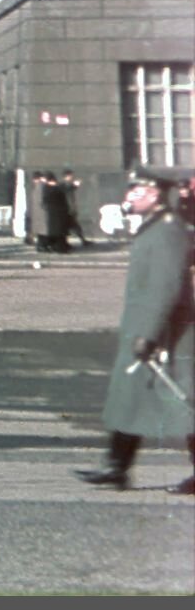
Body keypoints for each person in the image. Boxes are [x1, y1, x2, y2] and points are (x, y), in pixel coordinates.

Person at [75, 173, 194, 494]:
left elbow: (165, 288)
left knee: (185, 403)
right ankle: (116, 467)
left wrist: (149, 334)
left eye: (138, 189)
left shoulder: (169, 230)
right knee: (131, 398)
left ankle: (117, 467)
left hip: (169, 335)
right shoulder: (156, 226)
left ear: (155, 195)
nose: (131, 194)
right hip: (149, 331)